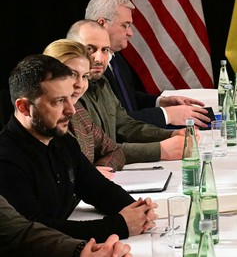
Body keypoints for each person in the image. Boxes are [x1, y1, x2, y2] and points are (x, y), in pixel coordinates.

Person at [0, 54, 157, 242]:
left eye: (70, 97)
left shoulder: (62, 140)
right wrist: (121, 226)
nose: (71, 110)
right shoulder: (6, 161)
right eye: (59, 101)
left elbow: (98, 189)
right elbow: (37, 232)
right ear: (24, 107)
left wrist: (138, 211)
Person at [84, 0, 211, 128]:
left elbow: (127, 101)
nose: (130, 33)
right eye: (125, 25)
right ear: (102, 23)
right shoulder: (87, 66)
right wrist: (167, 115)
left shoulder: (116, 59)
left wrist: (161, 102)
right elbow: (114, 122)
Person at [66, 20, 185, 163]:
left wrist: (171, 134)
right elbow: (95, 154)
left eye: (105, 50)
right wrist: (160, 150)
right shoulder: (68, 95)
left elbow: (124, 126)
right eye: (90, 49)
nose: (99, 58)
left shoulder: (103, 82)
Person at [43, 39, 126, 178]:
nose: (80, 85)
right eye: (72, 74)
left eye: (85, 76)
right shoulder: (38, 119)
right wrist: (88, 175)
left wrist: (100, 170)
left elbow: (115, 151)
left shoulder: (80, 113)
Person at [0, 194, 132, 257]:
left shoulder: (67, 144)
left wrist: (80, 254)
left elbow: (20, 232)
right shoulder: (8, 155)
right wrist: (119, 225)